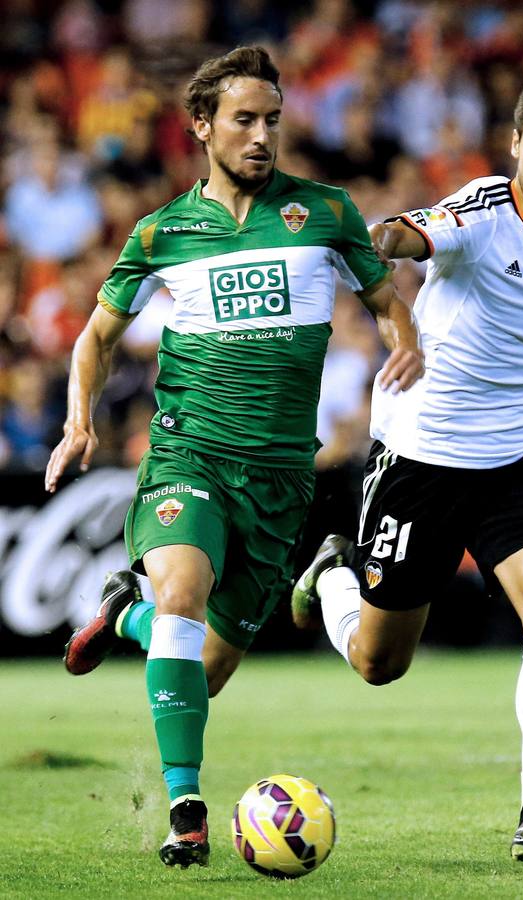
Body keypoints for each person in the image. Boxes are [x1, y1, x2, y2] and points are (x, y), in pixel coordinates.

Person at [44, 46, 423, 868]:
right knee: (182, 592)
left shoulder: (324, 212)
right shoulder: (163, 231)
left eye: (273, 121)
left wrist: (407, 348)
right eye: (244, 121)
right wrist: (78, 422)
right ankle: (186, 808)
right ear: (201, 127)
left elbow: (386, 301)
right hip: (190, 455)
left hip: (282, 475)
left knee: (201, 671)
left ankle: (125, 613)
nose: (261, 136)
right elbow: (97, 336)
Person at [292, 72, 523, 862]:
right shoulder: (478, 210)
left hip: (516, 459)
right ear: (513, 144)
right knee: (379, 663)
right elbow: (403, 235)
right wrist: (378, 252)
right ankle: (335, 575)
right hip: (422, 458)